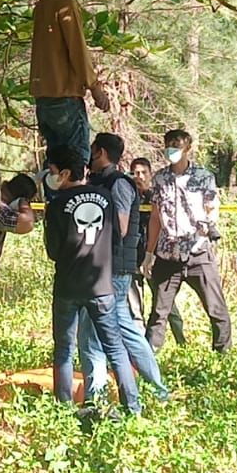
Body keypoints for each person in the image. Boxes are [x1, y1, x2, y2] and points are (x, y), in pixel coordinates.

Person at [42, 144, 141, 419]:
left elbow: (53, 251)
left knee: (64, 348)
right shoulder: (106, 198)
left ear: (63, 173)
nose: (49, 178)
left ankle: (63, 410)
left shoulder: (57, 204)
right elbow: (115, 238)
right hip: (101, 285)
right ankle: (133, 408)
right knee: (115, 348)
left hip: (67, 287)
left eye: (51, 172)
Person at [78, 133, 168, 401]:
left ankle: (97, 399)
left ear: (101, 152)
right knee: (126, 329)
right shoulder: (101, 181)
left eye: (91, 150)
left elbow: (121, 226)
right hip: (108, 266)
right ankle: (158, 389)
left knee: (92, 333)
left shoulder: (119, 184)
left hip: (112, 267)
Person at [142, 128, 231, 352]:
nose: (172, 150)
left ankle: (223, 355)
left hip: (197, 252)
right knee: (159, 311)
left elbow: (212, 209)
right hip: (167, 253)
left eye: (177, 146)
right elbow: (155, 217)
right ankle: (148, 358)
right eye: (169, 145)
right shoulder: (160, 178)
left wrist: (205, 231)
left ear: (188, 148)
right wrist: (149, 254)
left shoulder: (203, 177)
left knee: (215, 308)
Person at [31, 0, 111, 167]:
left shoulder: (41, 5)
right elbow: (77, 48)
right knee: (74, 161)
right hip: (64, 95)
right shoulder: (63, 3)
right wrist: (94, 86)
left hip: (43, 98)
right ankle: (72, 198)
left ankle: (55, 198)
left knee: (55, 163)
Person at [129, 156, 185, 345]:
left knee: (165, 304)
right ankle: (142, 347)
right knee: (135, 307)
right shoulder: (128, 196)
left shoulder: (157, 194)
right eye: (136, 173)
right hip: (134, 256)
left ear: (150, 174)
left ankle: (181, 342)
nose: (140, 176)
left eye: (143, 172)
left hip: (155, 257)